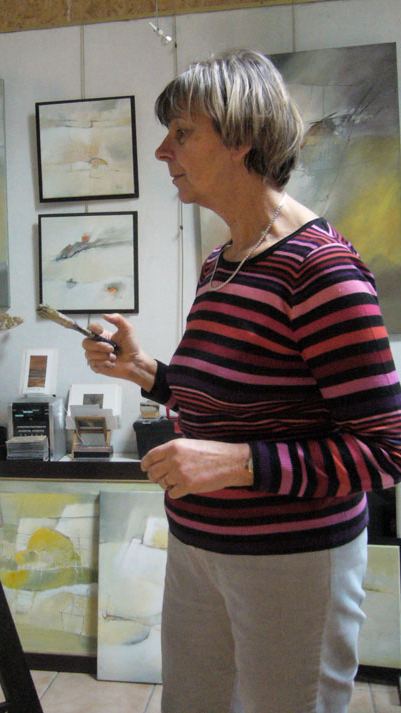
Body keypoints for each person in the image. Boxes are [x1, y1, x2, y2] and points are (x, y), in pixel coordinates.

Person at [81, 49, 401, 713]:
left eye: (183, 132)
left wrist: (236, 464)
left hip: (292, 562)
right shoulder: (222, 262)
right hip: (199, 545)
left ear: (241, 140)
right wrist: (144, 371)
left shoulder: (321, 272)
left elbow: (385, 450)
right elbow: (235, 401)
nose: (163, 151)